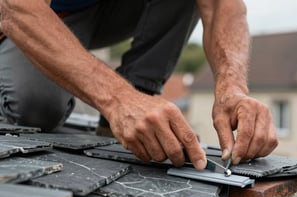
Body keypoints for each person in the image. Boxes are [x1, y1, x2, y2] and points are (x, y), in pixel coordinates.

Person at [0, 0, 278, 170]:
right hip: (37, 11)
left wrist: (233, 87)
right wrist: (117, 99)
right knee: (35, 107)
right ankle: (129, 108)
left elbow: (221, 5)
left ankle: (136, 106)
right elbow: (20, 7)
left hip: (109, 8)